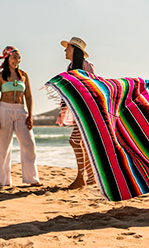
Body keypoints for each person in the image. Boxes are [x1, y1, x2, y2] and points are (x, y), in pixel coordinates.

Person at [0, 46, 42, 187]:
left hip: (21, 111)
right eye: (14, 57)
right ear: (7, 58)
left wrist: (30, 115)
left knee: (29, 145)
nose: (17, 60)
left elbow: (29, 96)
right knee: (4, 147)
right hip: (4, 110)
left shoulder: (24, 75)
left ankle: (32, 179)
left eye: (19, 57)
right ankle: (4, 181)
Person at [58, 37, 96, 189]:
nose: (65, 50)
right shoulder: (71, 67)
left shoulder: (86, 65)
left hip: (86, 110)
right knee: (83, 143)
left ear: (74, 49)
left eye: (67, 47)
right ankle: (91, 177)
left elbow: (94, 87)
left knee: (75, 141)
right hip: (76, 109)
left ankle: (81, 178)